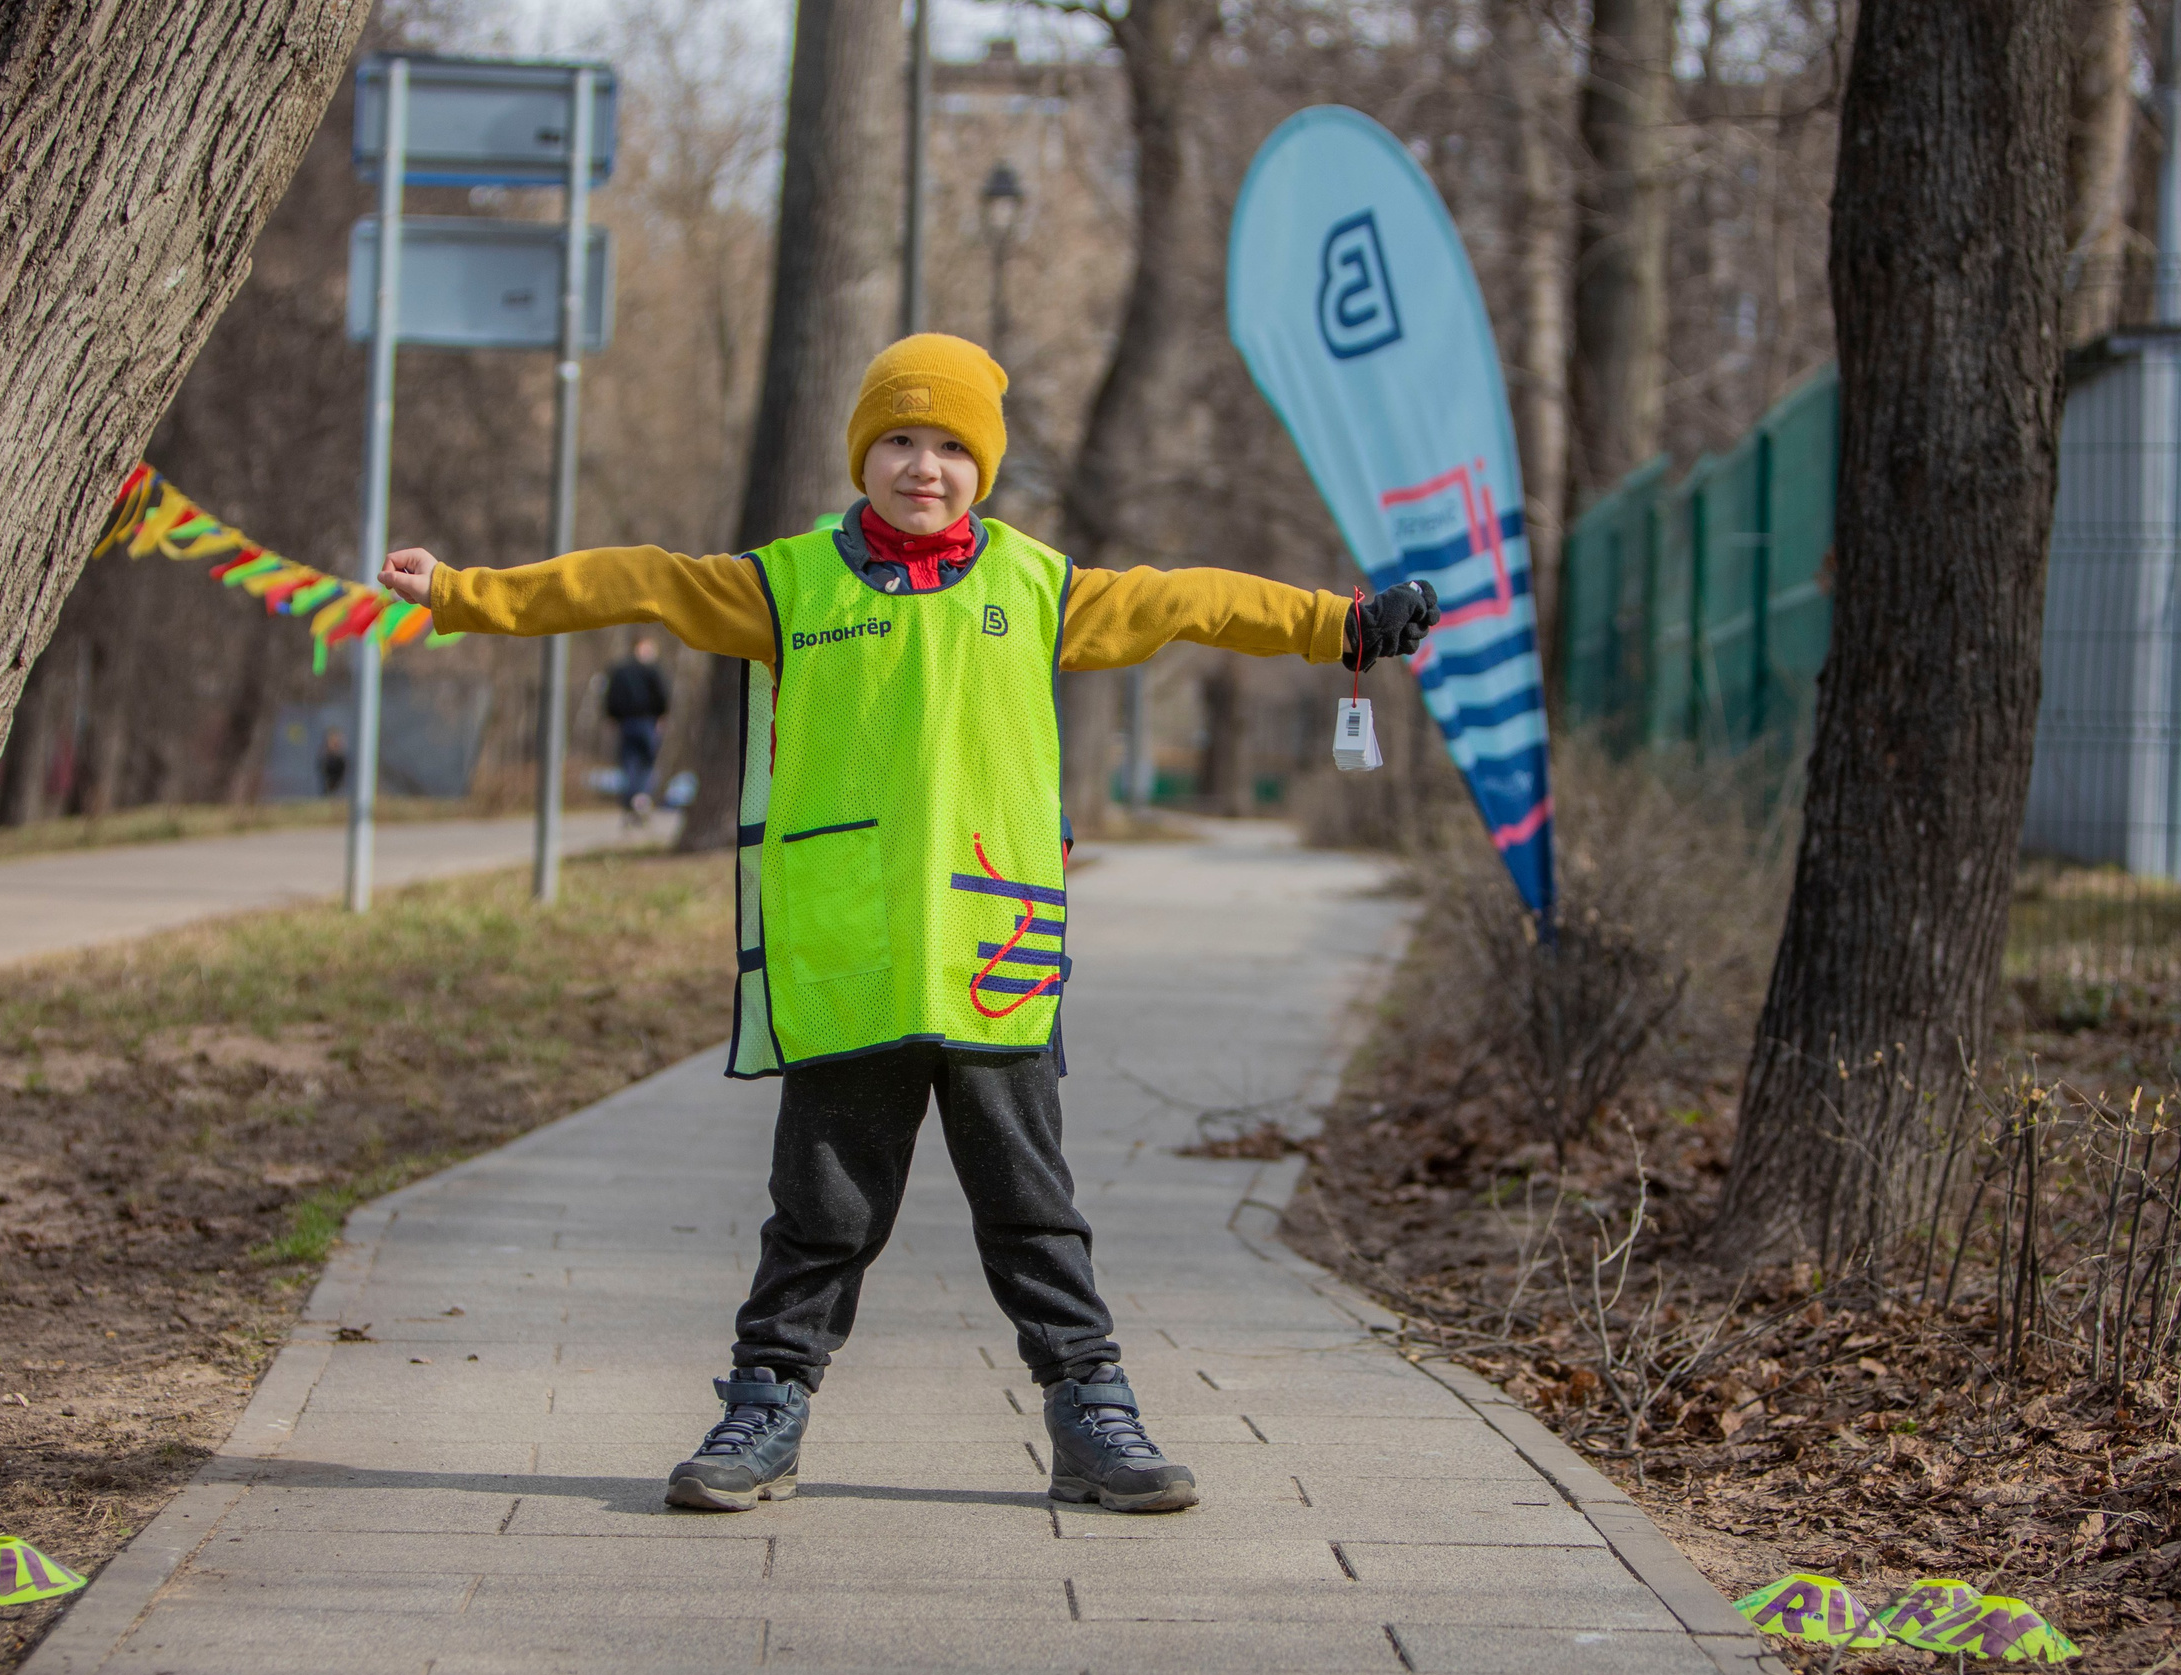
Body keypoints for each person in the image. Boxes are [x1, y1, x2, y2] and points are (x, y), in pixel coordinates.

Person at [376, 334, 1435, 1516]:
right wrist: (468, 593)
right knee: (821, 1208)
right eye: (895, 439)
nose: (919, 465)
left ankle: (1093, 1411)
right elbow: (635, 579)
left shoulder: (1040, 589)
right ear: (860, 455)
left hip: (993, 954)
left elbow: (1188, 599)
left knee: (1032, 1205)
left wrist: (1337, 625)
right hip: (850, 954)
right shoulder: (785, 583)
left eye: (947, 445)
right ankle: (764, 1404)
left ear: (981, 467)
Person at [603, 635, 671, 822]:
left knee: (629, 762)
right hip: (646, 721)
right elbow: (662, 695)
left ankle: (631, 799)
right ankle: (641, 797)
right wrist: (661, 716)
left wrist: (612, 717)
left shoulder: (619, 671)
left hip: (626, 723)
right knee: (648, 761)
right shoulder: (652, 670)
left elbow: (611, 696)